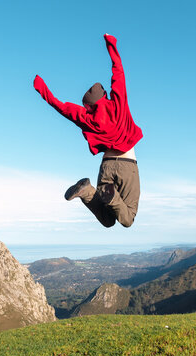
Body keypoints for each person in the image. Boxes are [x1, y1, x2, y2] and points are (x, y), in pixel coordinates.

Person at [33, 34, 142, 228]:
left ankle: (87, 191)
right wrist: (111, 45)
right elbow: (118, 73)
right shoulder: (118, 106)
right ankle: (110, 195)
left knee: (108, 220)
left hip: (106, 166)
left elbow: (60, 106)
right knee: (127, 219)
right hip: (126, 164)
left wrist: (42, 88)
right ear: (104, 95)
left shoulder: (86, 117)